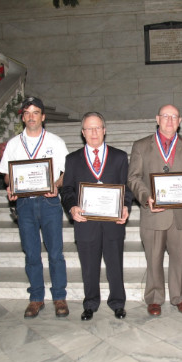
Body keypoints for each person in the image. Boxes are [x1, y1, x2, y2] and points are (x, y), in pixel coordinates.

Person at [128, 104, 182, 316]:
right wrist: (146, 197)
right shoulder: (141, 146)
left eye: (174, 116)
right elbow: (133, 178)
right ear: (157, 119)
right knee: (153, 258)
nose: (170, 120)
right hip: (154, 213)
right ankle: (154, 298)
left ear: (180, 121)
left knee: (178, 258)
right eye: (165, 116)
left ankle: (179, 297)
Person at [0, 96, 69, 319]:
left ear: (43, 116)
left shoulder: (56, 142)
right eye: (27, 113)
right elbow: (7, 176)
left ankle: (59, 296)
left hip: (49, 202)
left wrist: (56, 186)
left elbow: (66, 173)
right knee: (31, 253)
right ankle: (36, 298)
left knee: (56, 253)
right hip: (25, 204)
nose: (31, 117)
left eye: (35, 112)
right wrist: (11, 188)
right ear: (22, 117)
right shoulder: (13, 144)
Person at [61, 112, 133, 321]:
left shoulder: (119, 157)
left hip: (113, 222)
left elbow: (126, 188)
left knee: (115, 265)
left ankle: (118, 303)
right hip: (86, 223)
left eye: (97, 127)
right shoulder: (73, 159)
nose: (94, 132)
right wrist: (72, 207)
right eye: (89, 128)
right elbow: (67, 190)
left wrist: (125, 206)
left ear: (105, 130)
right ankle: (90, 303)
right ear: (83, 133)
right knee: (89, 267)